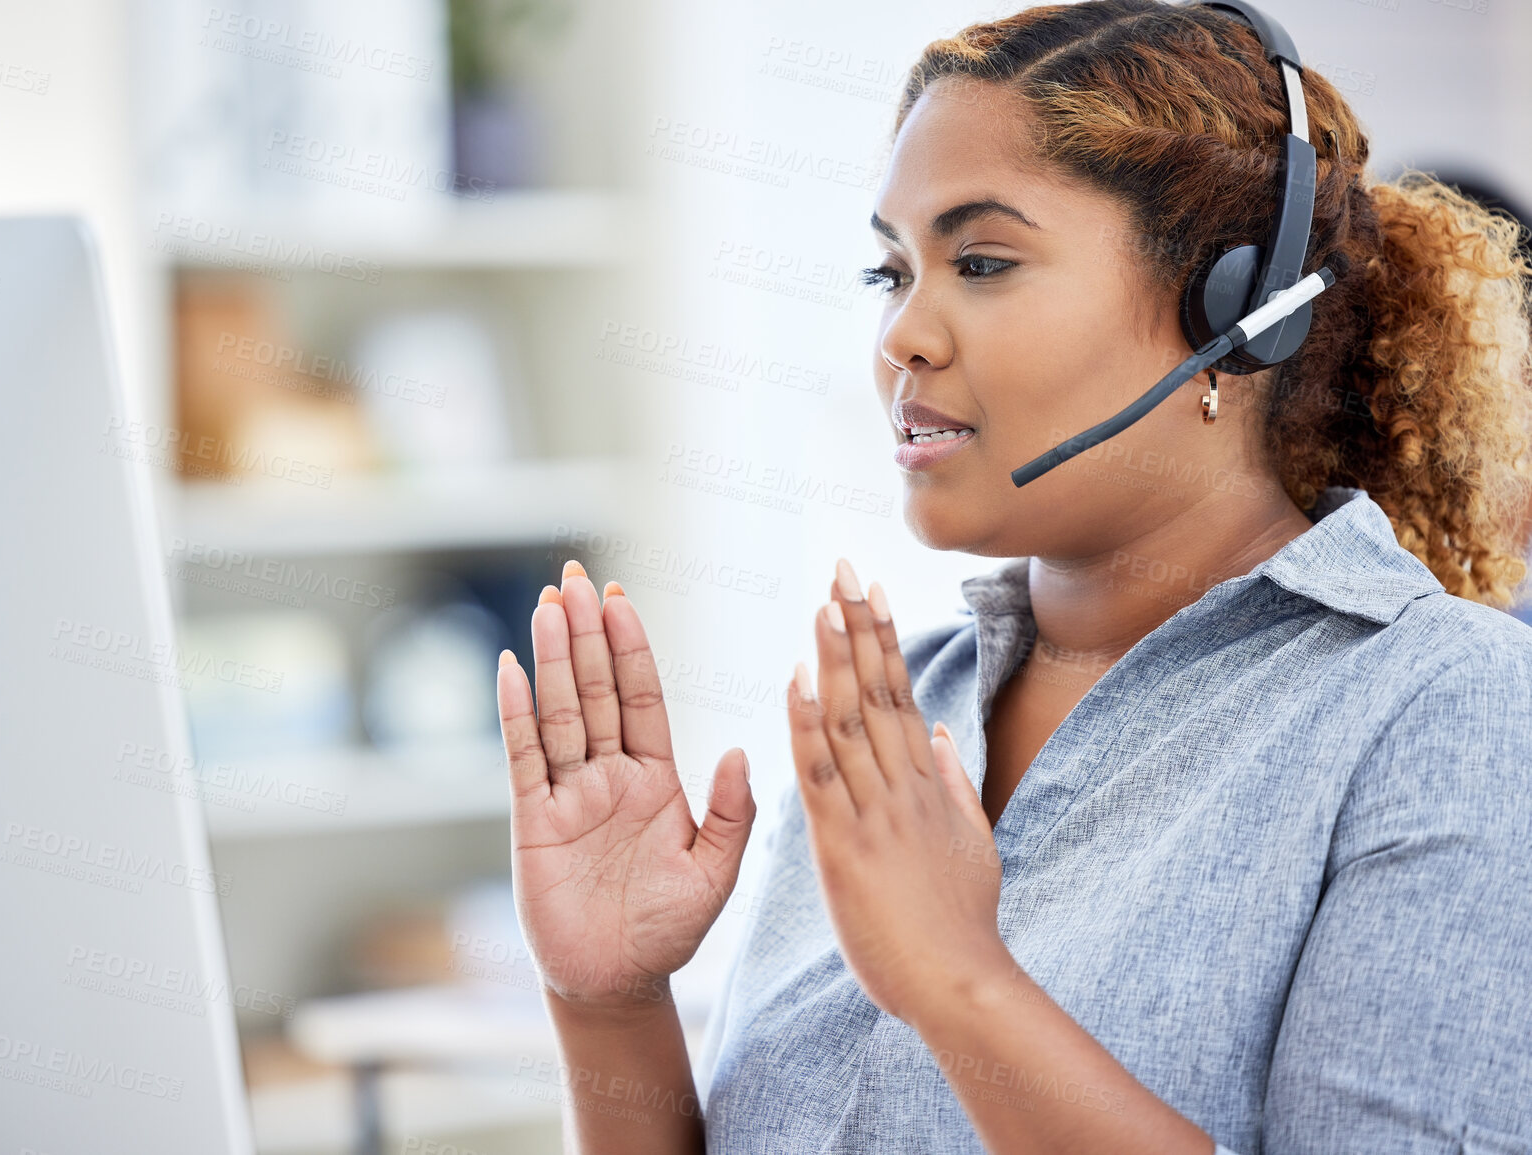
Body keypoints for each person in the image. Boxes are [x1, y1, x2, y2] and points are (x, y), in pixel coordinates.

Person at [493, 2, 1532, 1151]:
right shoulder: (901, 716)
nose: (902, 337)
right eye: (890, 270)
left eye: (982, 260)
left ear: (1234, 313)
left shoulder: (1449, 706)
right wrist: (606, 1007)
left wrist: (961, 984)